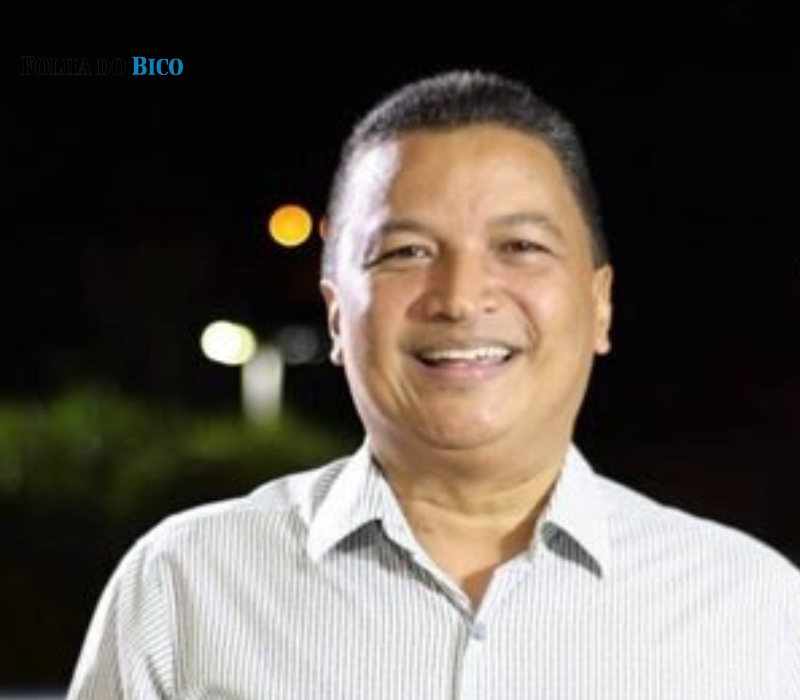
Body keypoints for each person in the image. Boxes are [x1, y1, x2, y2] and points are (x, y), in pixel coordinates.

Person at [66, 69, 800, 699]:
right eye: (407, 251)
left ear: (599, 304)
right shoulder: (185, 587)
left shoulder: (754, 610)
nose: (460, 295)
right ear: (336, 316)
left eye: (520, 245)